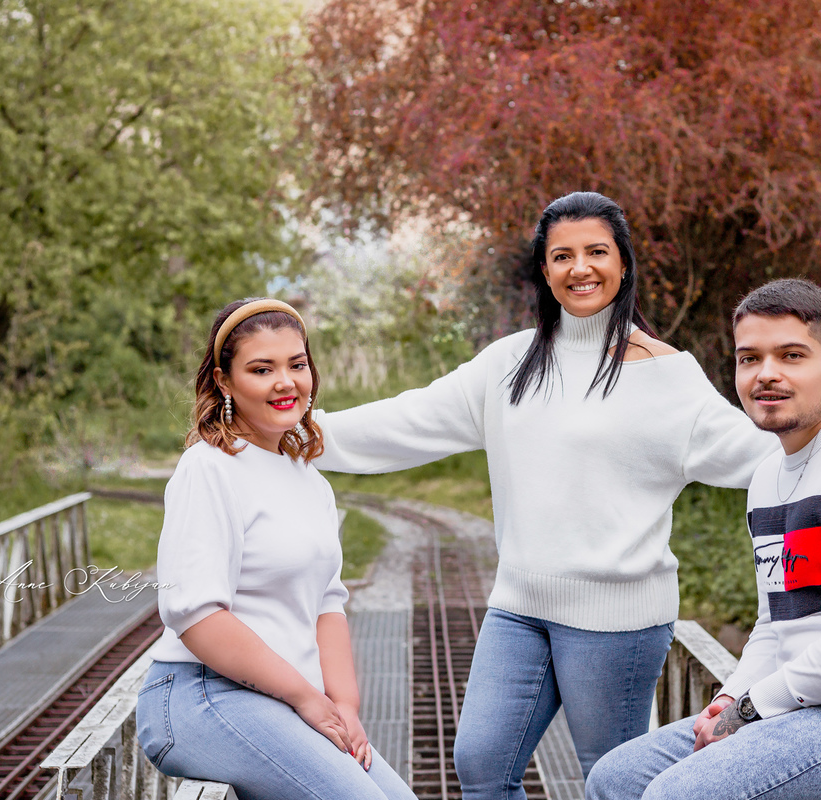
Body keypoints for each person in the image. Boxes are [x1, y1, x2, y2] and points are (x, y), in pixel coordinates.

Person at [312, 192, 779, 800]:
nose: (579, 268)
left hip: (616, 623)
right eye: (562, 255)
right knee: (480, 762)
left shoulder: (669, 376)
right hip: (520, 606)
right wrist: (294, 434)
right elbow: (406, 422)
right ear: (544, 270)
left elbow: (764, 456)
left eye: (596, 252)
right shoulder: (509, 364)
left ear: (623, 263)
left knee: (609, 782)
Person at [584, 278, 821, 800]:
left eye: (791, 355)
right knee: (614, 780)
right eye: (750, 359)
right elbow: (775, 623)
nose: (767, 374)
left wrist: (753, 709)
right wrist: (728, 702)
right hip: (808, 712)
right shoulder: (770, 473)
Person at [135, 298, 416, 800]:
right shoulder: (209, 468)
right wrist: (304, 696)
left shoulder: (309, 479)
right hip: (201, 694)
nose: (286, 382)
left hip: (285, 702)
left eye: (297, 364)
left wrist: (344, 705)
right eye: (262, 369)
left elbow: (327, 603)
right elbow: (195, 613)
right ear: (224, 381)